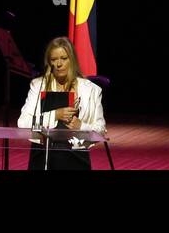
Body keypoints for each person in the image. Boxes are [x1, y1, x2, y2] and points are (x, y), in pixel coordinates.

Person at [17, 36, 106, 170]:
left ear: (72, 59)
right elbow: (23, 123)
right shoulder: (38, 85)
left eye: (63, 59)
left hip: (76, 157)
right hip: (42, 155)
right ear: (49, 62)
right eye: (54, 60)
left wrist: (81, 125)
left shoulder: (90, 90)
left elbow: (101, 130)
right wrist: (55, 115)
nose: (58, 64)